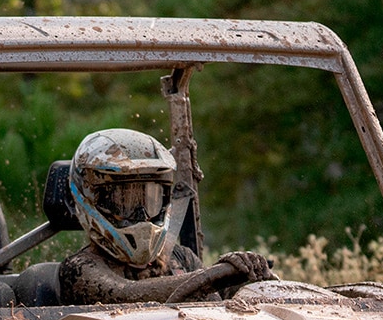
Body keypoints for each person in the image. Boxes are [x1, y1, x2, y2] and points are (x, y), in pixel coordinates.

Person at [57, 128, 273, 305]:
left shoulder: (181, 259)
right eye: (126, 202)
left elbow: (224, 303)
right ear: (90, 199)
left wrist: (248, 276)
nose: (141, 215)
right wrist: (216, 276)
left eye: (150, 200)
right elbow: (126, 295)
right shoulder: (78, 269)